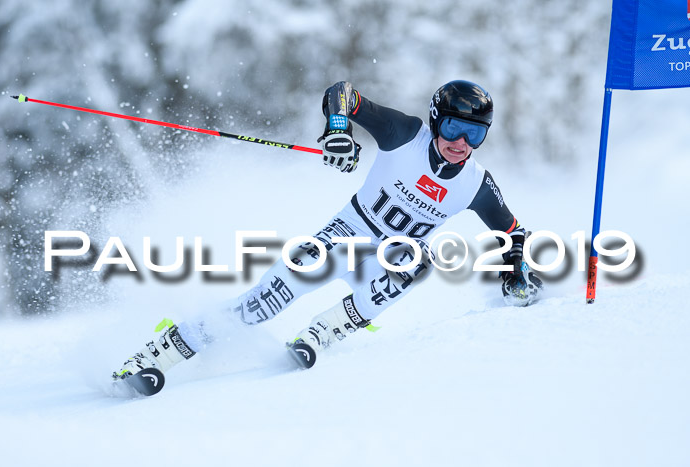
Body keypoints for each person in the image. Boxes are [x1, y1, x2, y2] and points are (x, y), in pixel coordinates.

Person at [113, 80, 543, 381]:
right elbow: (342, 94)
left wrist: (515, 273)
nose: (461, 143)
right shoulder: (404, 134)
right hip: (345, 237)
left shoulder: (475, 184)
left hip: (388, 259)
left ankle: (328, 328)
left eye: (475, 134)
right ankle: (162, 352)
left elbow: (512, 230)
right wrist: (338, 131)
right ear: (435, 121)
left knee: (419, 262)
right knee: (261, 305)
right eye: (454, 127)